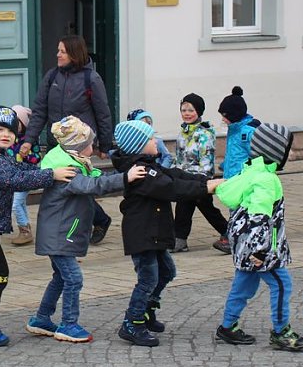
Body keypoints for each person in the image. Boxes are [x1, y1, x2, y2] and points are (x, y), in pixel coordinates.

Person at [0, 107, 75, 347]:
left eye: (11, 131)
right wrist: (52, 174)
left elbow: (20, 170)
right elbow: (15, 180)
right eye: (0, 129)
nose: (5, 135)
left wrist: (45, 169)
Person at [26, 116, 146, 343]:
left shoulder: (75, 162)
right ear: (79, 146)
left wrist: (122, 176)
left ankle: (41, 318)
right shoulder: (68, 170)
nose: (94, 146)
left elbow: (98, 177)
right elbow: (93, 185)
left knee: (60, 277)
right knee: (73, 279)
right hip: (60, 234)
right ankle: (68, 325)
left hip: (60, 233)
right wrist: (126, 179)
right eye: (91, 142)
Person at [110, 120, 223, 347]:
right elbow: (171, 188)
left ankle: (146, 311)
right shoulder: (141, 171)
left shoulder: (149, 164)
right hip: (142, 234)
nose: (156, 141)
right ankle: (132, 322)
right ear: (138, 145)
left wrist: (206, 180)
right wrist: (205, 189)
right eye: (151, 139)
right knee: (148, 277)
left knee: (167, 272)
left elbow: (174, 175)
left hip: (155, 232)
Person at [214, 123, 303, 352]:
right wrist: (260, 250)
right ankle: (281, 332)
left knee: (244, 285)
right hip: (261, 247)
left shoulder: (249, 171)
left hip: (242, 244)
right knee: (282, 284)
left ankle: (227, 326)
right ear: (276, 152)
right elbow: (259, 217)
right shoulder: (267, 180)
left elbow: (228, 194)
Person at [19, 35, 115, 245]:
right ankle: (86, 220)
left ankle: (96, 220)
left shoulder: (91, 79)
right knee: (62, 186)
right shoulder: (52, 76)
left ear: (74, 53)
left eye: (62, 51)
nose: (58, 55)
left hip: (80, 146)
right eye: (58, 50)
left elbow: (103, 113)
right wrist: (29, 139)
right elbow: (40, 111)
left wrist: (105, 145)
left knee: (77, 184)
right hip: (57, 145)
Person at [172, 93, 228, 253]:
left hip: (199, 179)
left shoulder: (205, 134)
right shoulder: (183, 132)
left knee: (206, 208)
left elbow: (207, 159)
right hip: (184, 178)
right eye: (183, 110)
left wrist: (203, 180)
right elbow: (180, 156)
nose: (187, 113)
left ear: (199, 111)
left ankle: (228, 231)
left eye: (191, 110)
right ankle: (180, 240)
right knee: (183, 207)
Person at [215, 86, 261, 254]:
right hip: (232, 177)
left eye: (225, 116)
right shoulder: (234, 129)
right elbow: (234, 152)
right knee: (234, 208)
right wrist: (225, 165)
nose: (223, 119)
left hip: (244, 179)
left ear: (234, 115)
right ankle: (235, 238)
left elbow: (255, 155)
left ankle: (236, 240)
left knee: (241, 210)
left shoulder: (247, 131)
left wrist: (248, 171)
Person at [9, 105, 41, 246]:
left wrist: (26, 156)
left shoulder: (30, 141)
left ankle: (25, 231)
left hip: (28, 176)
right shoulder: (10, 138)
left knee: (15, 204)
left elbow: (37, 157)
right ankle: (25, 230)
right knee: (20, 203)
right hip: (15, 176)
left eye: (17, 124)